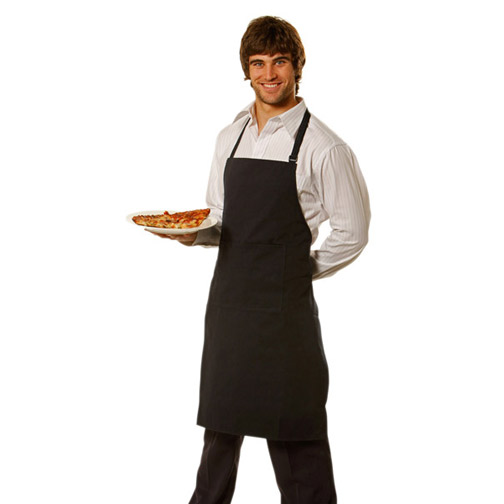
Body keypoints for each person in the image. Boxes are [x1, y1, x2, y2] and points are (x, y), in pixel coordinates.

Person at [151, 15, 370, 504]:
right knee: (219, 435)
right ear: (245, 70)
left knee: (296, 435)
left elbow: (353, 233)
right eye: (258, 63)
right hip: (229, 308)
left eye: (280, 62)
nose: (269, 74)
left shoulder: (324, 147)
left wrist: (300, 269)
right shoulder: (229, 136)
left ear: (297, 67)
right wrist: (192, 236)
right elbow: (221, 216)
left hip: (285, 316)